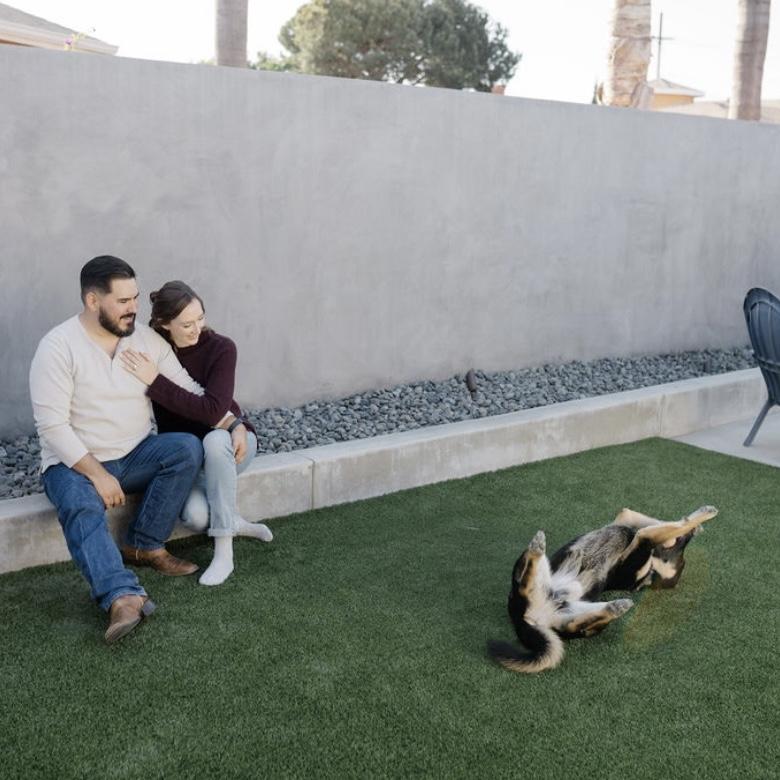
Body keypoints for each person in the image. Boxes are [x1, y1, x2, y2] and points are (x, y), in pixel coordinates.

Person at [29, 256, 207, 644]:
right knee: (78, 502)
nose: (134, 308)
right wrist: (97, 473)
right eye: (123, 301)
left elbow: (191, 392)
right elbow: (52, 427)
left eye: (135, 298)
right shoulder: (58, 346)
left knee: (185, 448)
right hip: (73, 464)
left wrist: (235, 423)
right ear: (93, 301)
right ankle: (121, 596)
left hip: (136, 453)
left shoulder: (145, 339)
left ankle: (143, 545)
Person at [118, 280, 273, 587]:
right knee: (196, 517)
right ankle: (233, 520)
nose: (197, 329)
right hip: (189, 456)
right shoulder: (155, 348)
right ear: (164, 324)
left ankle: (224, 551)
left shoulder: (222, 348)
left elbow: (213, 411)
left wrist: (236, 424)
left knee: (215, 442)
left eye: (200, 318)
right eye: (187, 324)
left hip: (231, 442)